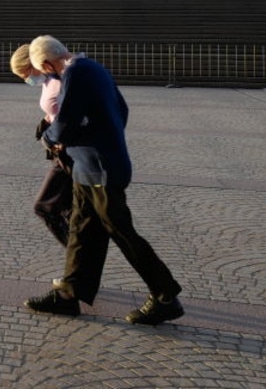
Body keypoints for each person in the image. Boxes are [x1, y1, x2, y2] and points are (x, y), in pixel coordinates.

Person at [22, 35, 184, 326]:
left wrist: (49, 138)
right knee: (82, 229)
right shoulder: (93, 67)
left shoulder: (75, 73)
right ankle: (69, 296)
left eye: (44, 71)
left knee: (121, 232)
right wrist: (105, 137)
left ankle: (165, 296)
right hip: (91, 167)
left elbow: (67, 122)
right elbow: (122, 111)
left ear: (46, 63)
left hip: (101, 170)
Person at [9, 44, 72, 247]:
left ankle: (79, 260)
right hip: (63, 152)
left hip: (68, 152)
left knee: (44, 206)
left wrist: (52, 136)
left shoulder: (60, 79)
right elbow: (57, 111)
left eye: (25, 74)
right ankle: (79, 266)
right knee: (69, 209)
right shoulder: (49, 79)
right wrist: (47, 120)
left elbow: (69, 115)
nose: (25, 79)